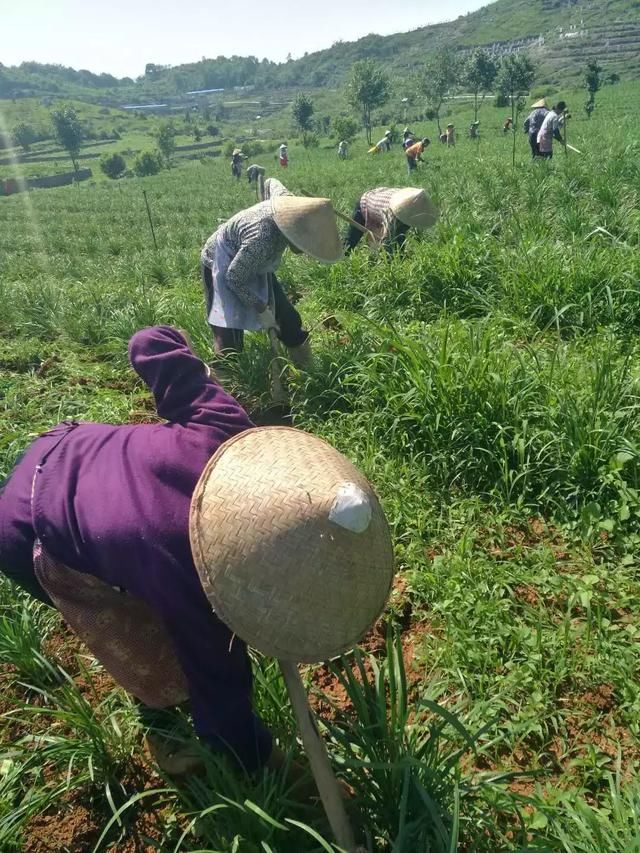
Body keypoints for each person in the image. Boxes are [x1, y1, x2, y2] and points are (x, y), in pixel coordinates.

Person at [0, 326, 393, 782]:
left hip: (68, 443)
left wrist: (185, 349)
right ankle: (164, 733)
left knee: (156, 601)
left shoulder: (228, 430)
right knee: (142, 645)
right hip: (29, 525)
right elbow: (219, 686)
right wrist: (262, 762)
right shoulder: (188, 574)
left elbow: (150, 342)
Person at [201, 195, 342, 361]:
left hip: (252, 260)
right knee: (229, 338)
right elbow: (234, 278)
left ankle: (306, 368)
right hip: (220, 263)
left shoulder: (290, 216)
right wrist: (261, 309)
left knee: (288, 320)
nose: (305, 249)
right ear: (294, 230)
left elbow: (272, 183)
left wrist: (269, 311)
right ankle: (226, 380)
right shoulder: (262, 239)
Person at [344, 187, 438, 254]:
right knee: (351, 240)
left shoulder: (413, 202)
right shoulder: (394, 212)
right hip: (366, 202)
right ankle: (341, 260)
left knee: (399, 236)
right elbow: (388, 242)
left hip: (380, 197)